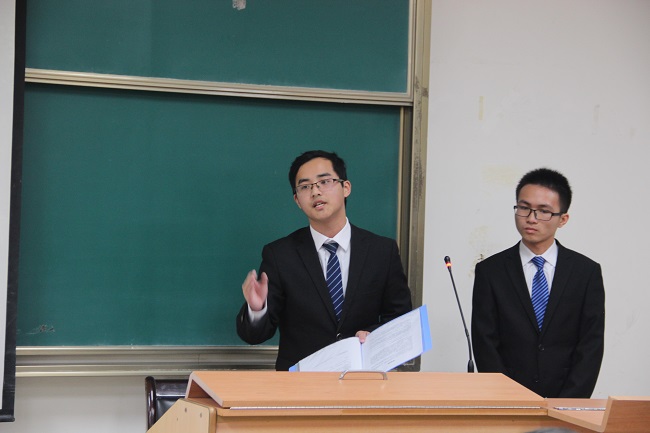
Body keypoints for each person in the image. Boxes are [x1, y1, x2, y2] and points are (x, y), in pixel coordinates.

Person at [236, 150, 412, 370]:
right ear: (297, 200)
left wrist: (373, 335)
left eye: (325, 182)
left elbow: (400, 319)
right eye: (305, 187)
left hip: (363, 378)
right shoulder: (280, 255)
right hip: (301, 383)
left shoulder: (382, 251)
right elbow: (254, 335)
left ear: (346, 187)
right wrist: (257, 308)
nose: (315, 191)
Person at [471, 168, 605, 398]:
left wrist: (566, 404)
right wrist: (509, 400)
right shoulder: (490, 271)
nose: (531, 218)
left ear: (563, 219)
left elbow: (590, 345)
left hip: (565, 402)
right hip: (507, 401)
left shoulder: (586, 272)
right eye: (524, 208)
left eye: (544, 211)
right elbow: (485, 343)